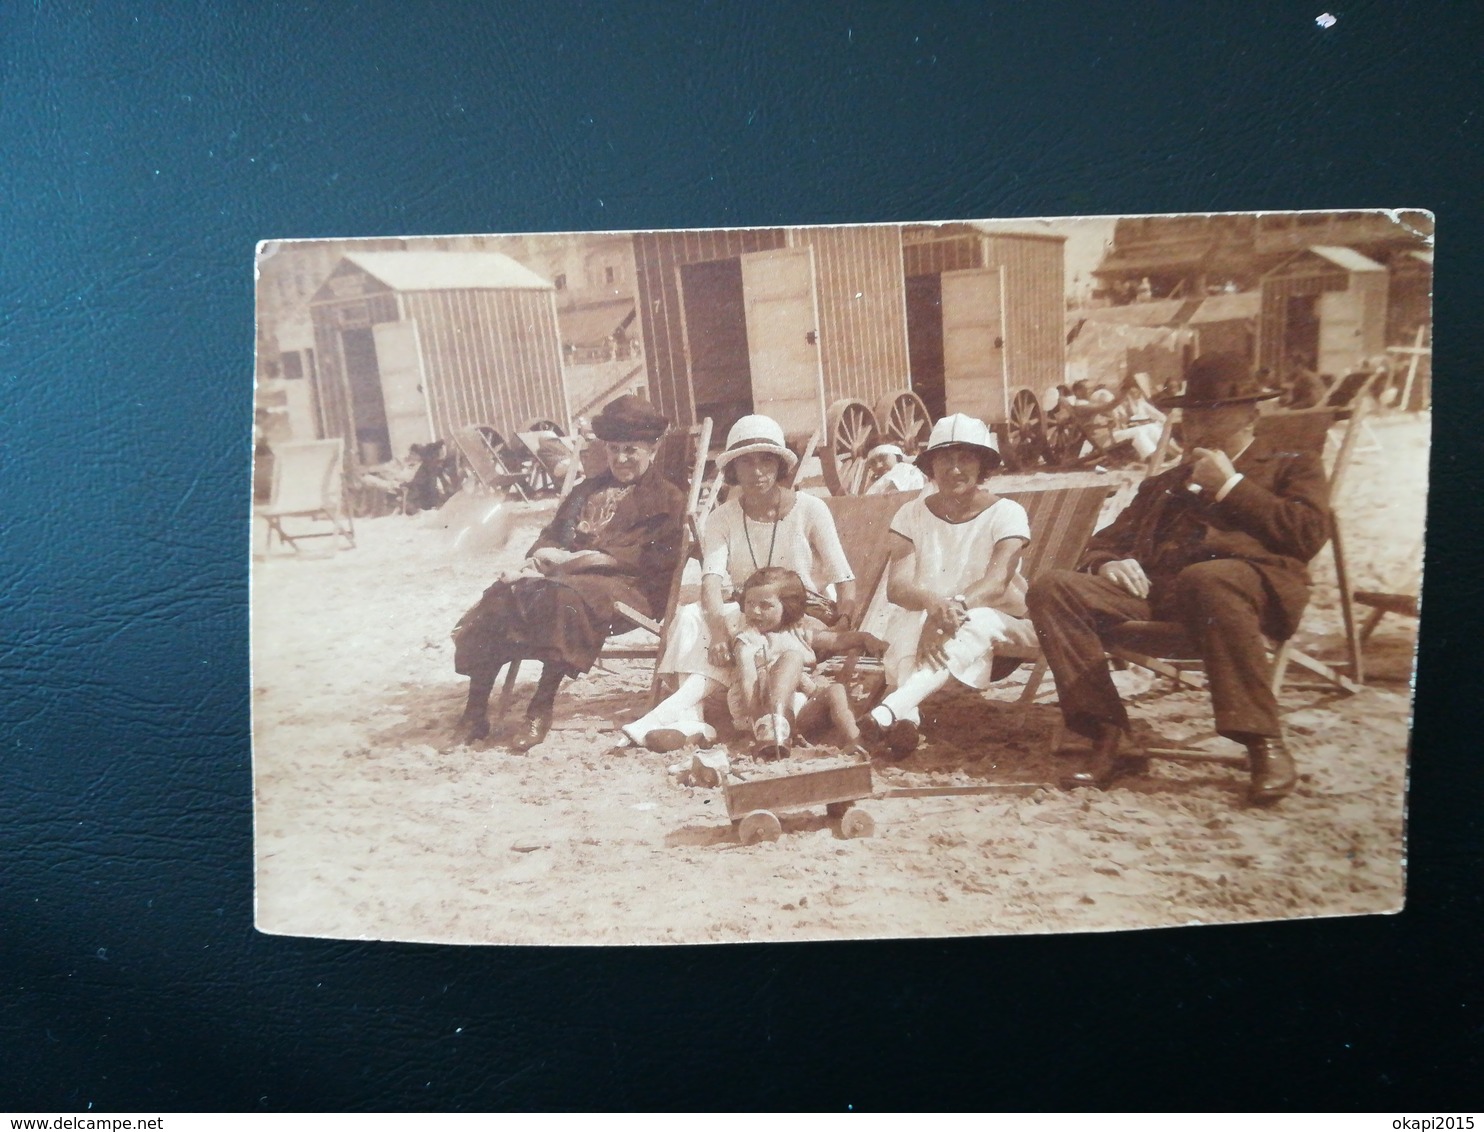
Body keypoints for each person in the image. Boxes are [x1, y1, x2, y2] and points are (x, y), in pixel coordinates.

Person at [1025, 353, 1330, 805]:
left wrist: (1231, 487)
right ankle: (1111, 736)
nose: (1195, 424)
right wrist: (1105, 563)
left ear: (1252, 414)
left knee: (1207, 579)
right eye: (1190, 412)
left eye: (1211, 412)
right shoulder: (1165, 482)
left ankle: (1264, 741)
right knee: (1052, 587)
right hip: (1161, 597)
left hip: (1248, 594)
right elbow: (1105, 540)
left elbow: (1307, 534)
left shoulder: (1291, 464)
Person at [452, 395, 684, 750]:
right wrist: (538, 559)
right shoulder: (587, 489)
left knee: (564, 598)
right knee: (502, 596)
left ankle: (540, 705)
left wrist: (577, 561)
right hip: (565, 578)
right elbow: (552, 534)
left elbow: (648, 560)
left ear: (652, 449)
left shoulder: (666, 498)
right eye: (614, 449)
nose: (620, 459)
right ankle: (475, 711)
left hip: (629, 587)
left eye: (631, 450)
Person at [620, 414, 857, 751]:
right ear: (733, 470)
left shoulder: (811, 509)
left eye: (766, 461)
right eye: (746, 463)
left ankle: (668, 717)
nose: (757, 471)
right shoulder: (723, 517)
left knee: (744, 637)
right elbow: (712, 580)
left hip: (798, 616)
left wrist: (844, 623)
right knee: (689, 616)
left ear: (779, 465)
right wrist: (717, 629)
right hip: (749, 611)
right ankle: (692, 718)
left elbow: (844, 579)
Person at [858, 414, 1040, 758]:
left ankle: (891, 707)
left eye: (966, 458)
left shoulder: (1008, 513)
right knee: (905, 620)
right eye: (945, 459)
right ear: (931, 465)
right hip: (937, 622)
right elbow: (897, 588)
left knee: (977, 619)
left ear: (983, 464)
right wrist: (932, 604)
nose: (955, 469)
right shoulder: (910, 514)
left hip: (1005, 623)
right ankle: (905, 719)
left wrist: (948, 609)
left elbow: (997, 582)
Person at [728, 567, 886, 759]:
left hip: (798, 714)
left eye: (765, 605)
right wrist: (758, 722)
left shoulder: (797, 633)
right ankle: (773, 730)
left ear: (787, 606)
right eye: (749, 603)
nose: (754, 611)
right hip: (760, 711)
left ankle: (855, 739)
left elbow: (837, 640)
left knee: (835, 690)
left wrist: (864, 638)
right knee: (792, 658)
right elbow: (748, 683)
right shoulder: (748, 640)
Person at [864, 443, 928, 495]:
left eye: (883, 458)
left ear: (896, 456)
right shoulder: (875, 481)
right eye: (873, 463)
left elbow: (893, 493)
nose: (879, 465)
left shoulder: (904, 469)